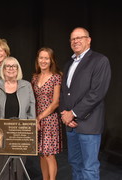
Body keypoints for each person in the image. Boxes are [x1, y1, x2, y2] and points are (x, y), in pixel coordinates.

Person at [60, 27, 111, 180]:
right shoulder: (68, 64)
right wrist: (64, 114)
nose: (76, 41)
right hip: (71, 125)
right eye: (73, 39)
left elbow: (97, 93)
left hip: (89, 124)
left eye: (79, 37)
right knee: (75, 164)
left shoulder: (100, 61)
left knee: (89, 168)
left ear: (88, 40)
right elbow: (64, 92)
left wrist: (73, 114)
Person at [0, 56, 36, 180]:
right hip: (0, 133)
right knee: (0, 169)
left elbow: (31, 109)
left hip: (20, 132)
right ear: (3, 69)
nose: (11, 69)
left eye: (14, 66)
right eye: (8, 66)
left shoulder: (27, 85)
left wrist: (31, 130)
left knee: (18, 169)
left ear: (18, 69)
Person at [31, 47, 63, 180]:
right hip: (37, 120)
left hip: (49, 119)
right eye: (41, 58)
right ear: (37, 60)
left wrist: (40, 117)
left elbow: (55, 103)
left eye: (46, 58)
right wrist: (34, 118)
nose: (43, 61)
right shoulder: (34, 77)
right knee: (42, 153)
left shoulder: (56, 77)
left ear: (51, 61)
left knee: (49, 154)